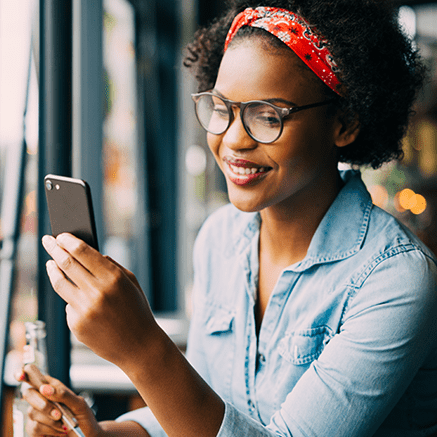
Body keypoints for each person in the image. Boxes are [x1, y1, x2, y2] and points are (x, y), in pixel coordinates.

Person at [17, 0, 437, 436]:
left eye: (267, 115)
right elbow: (203, 411)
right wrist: (101, 433)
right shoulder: (219, 238)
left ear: (345, 124)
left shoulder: (396, 281)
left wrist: (142, 349)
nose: (233, 139)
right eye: (221, 108)